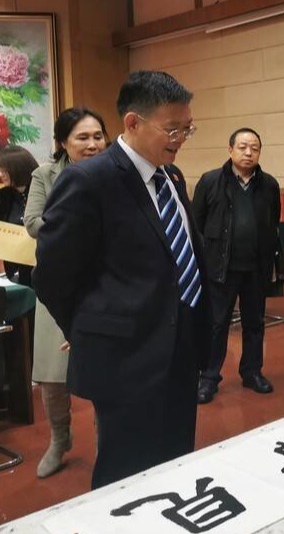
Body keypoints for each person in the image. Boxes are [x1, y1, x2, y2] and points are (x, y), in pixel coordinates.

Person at [33, 70, 210, 489]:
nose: (181, 139)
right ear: (133, 122)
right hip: (126, 356)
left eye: (187, 128)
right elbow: (53, 275)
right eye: (172, 129)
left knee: (176, 459)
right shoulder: (90, 180)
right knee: (126, 475)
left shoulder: (171, 176)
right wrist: (85, 328)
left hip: (181, 346)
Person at [23, 107, 108, 479]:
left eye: (98, 136)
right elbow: (32, 222)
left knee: (106, 368)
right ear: (62, 142)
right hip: (56, 284)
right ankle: (60, 440)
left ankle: (108, 445)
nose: (92, 144)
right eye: (82, 137)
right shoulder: (45, 175)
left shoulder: (115, 173)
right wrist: (76, 228)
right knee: (52, 374)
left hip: (103, 282)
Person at [192, 128, 281, 404]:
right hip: (220, 268)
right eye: (242, 147)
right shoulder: (210, 181)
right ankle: (208, 378)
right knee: (216, 324)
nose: (248, 152)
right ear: (230, 150)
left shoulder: (269, 185)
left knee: (254, 323)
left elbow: (273, 223)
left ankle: (252, 372)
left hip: (255, 268)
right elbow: (196, 223)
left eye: (254, 148)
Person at [0, 146, 39, 286]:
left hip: (41, 264)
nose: (1, 174)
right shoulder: (4, 196)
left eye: (5, 171)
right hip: (14, 268)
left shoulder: (40, 192)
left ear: (18, 169)